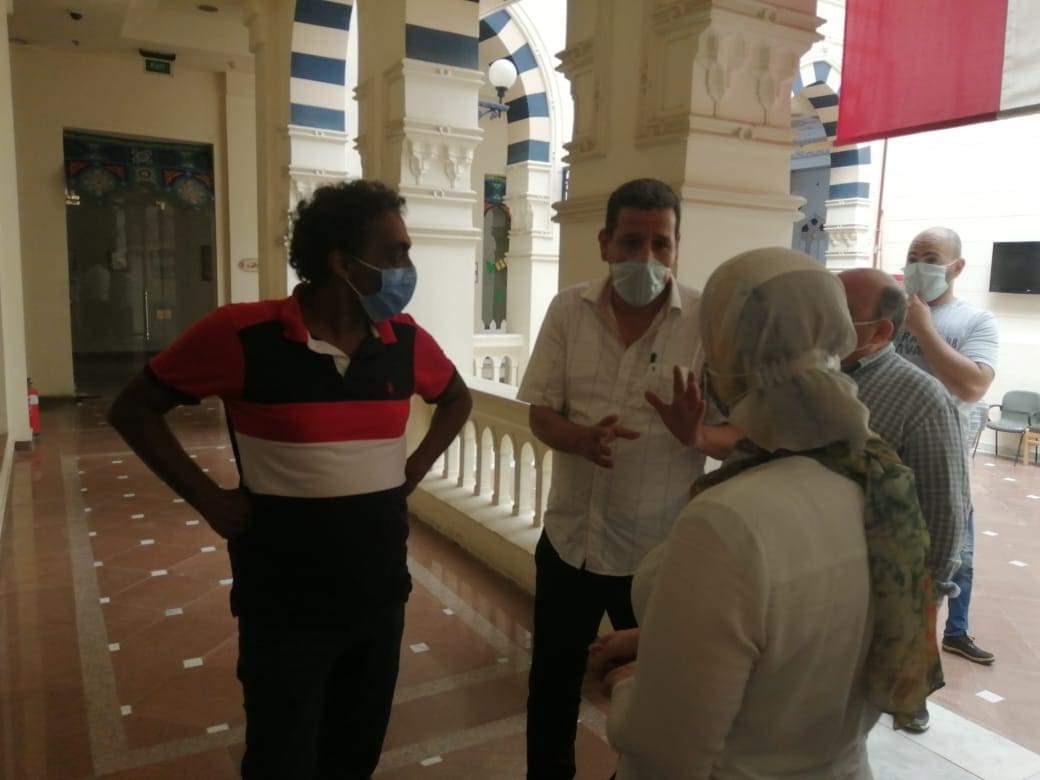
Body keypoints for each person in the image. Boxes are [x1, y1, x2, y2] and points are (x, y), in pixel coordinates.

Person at [107, 181, 472, 779]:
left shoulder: (405, 340)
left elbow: (456, 398)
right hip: (284, 599)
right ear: (342, 262)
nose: (408, 268)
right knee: (282, 754)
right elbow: (133, 409)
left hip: (379, 591)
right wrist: (208, 500)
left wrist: (415, 466)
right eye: (396, 253)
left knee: (354, 752)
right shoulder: (242, 334)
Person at [593, 248, 941, 779]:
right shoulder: (878, 484)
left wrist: (630, 687)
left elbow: (666, 752)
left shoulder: (727, 521)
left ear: (729, 353)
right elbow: (794, 634)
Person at [518, 178, 736, 779]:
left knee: (661, 693)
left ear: (677, 246)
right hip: (570, 540)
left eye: (661, 243)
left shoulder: (705, 323)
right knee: (552, 685)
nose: (647, 257)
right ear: (605, 243)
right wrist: (579, 439)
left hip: (656, 555)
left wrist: (696, 435)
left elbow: (741, 436)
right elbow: (540, 412)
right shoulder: (569, 309)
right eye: (632, 241)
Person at [840, 268, 968, 733]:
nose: (823, 318)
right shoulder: (814, 378)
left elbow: (945, 508)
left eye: (841, 312)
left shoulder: (922, 398)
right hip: (816, 579)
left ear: (879, 332)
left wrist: (922, 605)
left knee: (851, 716)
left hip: (877, 587)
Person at [895, 227, 999, 666]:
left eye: (931, 258)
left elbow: (973, 385)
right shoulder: (890, 312)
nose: (919, 265)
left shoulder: (976, 321)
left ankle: (954, 633)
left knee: (955, 555)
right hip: (889, 455)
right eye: (913, 256)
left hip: (945, 461)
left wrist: (923, 330)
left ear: (956, 268)